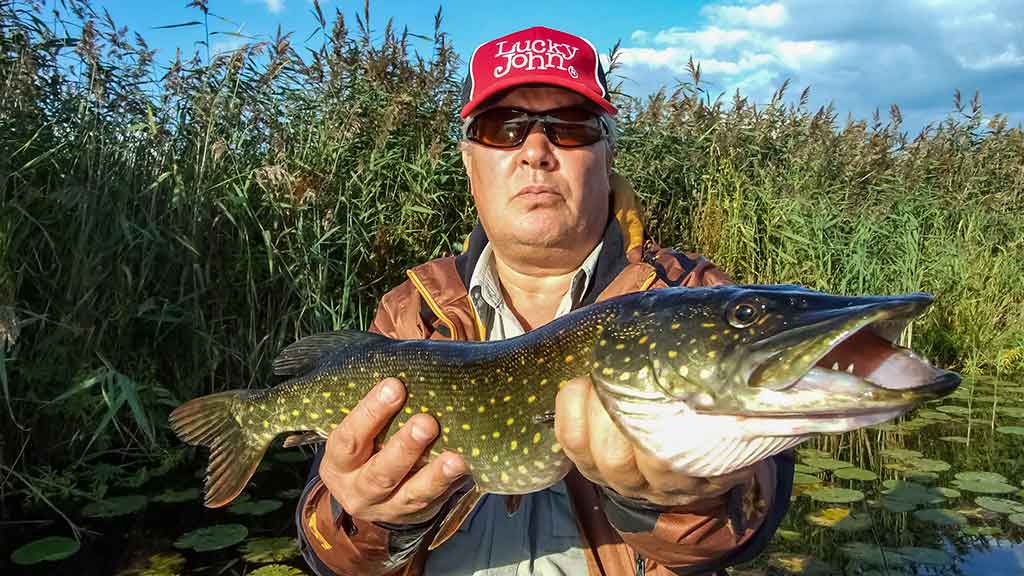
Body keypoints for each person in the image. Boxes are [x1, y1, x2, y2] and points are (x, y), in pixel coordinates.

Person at [295, 26, 794, 576]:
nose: (535, 152)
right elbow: (331, 547)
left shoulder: (689, 298)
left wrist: (678, 502)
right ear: (469, 163)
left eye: (572, 128)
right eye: (502, 129)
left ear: (607, 156)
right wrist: (372, 520)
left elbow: (747, 511)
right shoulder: (411, 311)